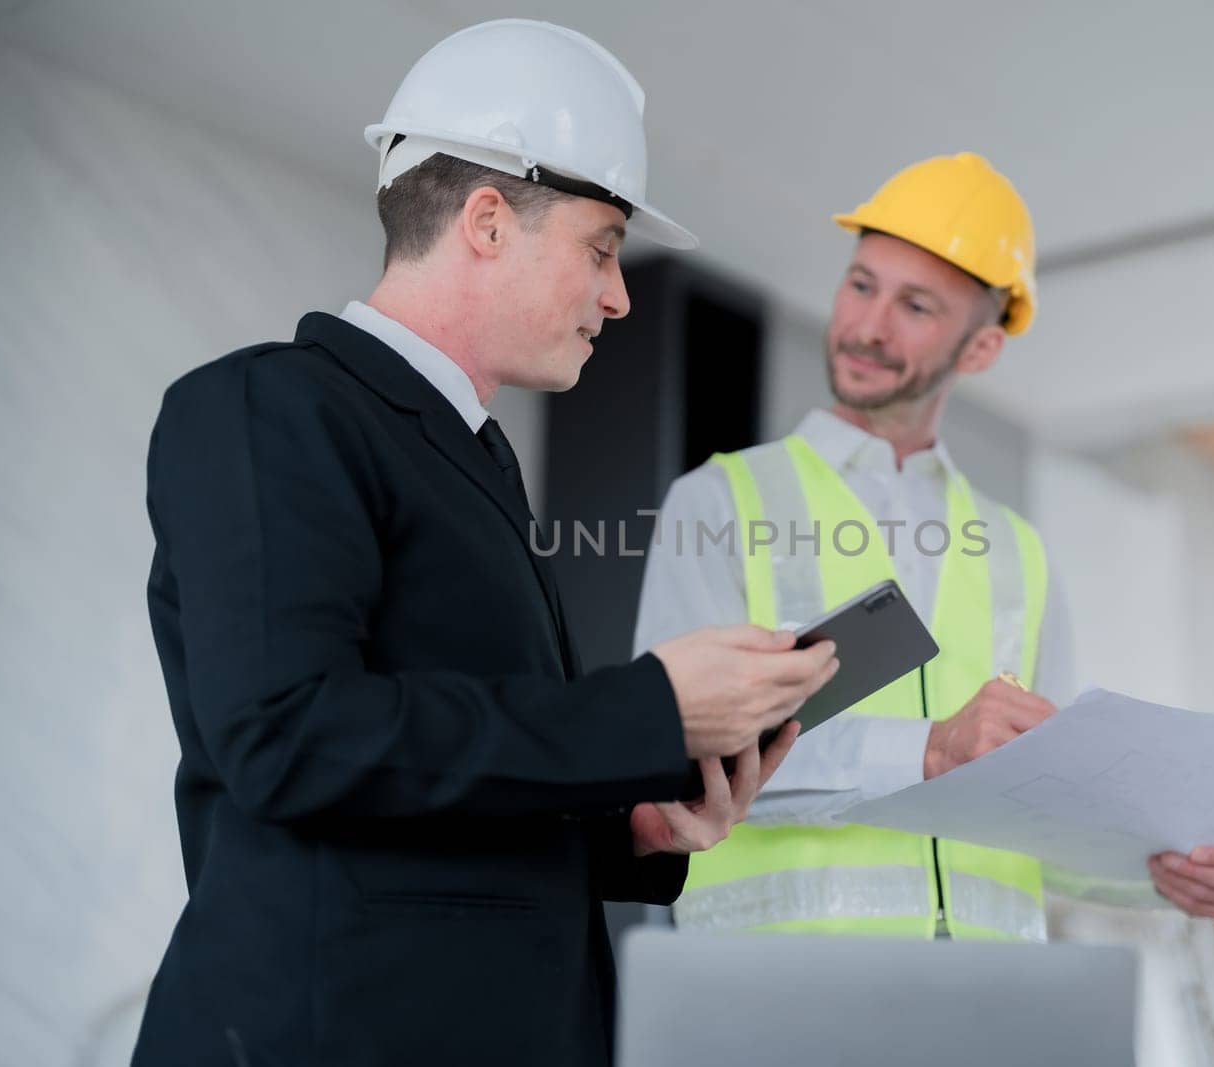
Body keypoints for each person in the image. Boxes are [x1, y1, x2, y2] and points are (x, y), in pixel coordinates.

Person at [134, 20, 836, 1067]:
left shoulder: (476, 462)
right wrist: (648, 707)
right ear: (488, 220)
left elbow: (431, 779)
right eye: (602, 249)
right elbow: (289, 733)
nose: (618, 295)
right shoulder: (264, 405)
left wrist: (627, 825)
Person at [634, 152, 1214, 940]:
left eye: (916, 306)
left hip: (987, 1005)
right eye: (861, 285)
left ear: (980, 349)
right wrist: (925, 748)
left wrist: (1160, 867)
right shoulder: (720, 503)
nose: (867, 326)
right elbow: (675, 762)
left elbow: (1047, 806)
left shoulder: (1018, 555)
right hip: (779, 999)